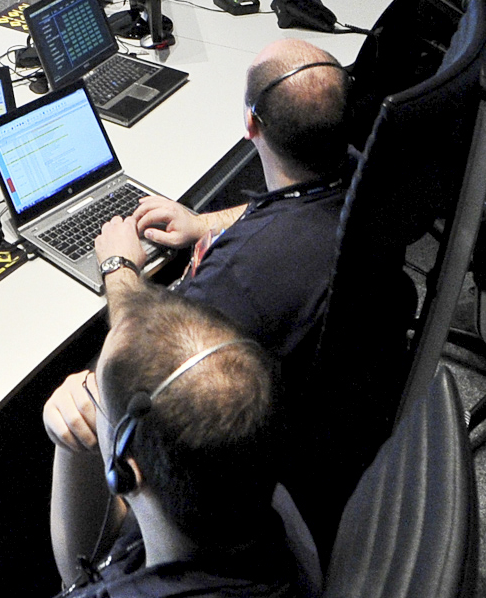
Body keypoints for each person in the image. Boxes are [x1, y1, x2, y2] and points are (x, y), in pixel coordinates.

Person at [44, 40, 353, 583]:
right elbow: (286, 201)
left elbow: (146, 349)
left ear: (251, 125)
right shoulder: (356, 179)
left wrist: (119, 265)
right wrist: (204, 223)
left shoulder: (241, 280)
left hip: (201, 489)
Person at [47, 293, 307, 598]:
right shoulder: (253, 502)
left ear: (125, 474)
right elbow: (83, 571)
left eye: (95, 398)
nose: (86, 399)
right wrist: (71, 447)